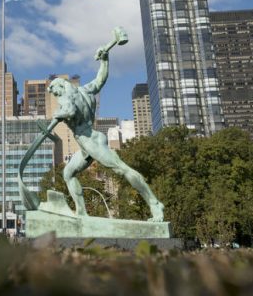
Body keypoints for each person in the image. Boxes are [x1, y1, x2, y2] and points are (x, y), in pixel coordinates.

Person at [45, 27, 164, 221]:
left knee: (122, 169)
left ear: (61, 85)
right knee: (68, 173)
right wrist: (105, 59)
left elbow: (70, 110)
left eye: (54, 90)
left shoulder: (67, 99)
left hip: (90, 141)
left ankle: (154, 203)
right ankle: (81, 212)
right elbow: (101, 79)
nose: (54, 94)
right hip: (85, 145)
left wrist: (58, 115)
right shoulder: (85, 90)